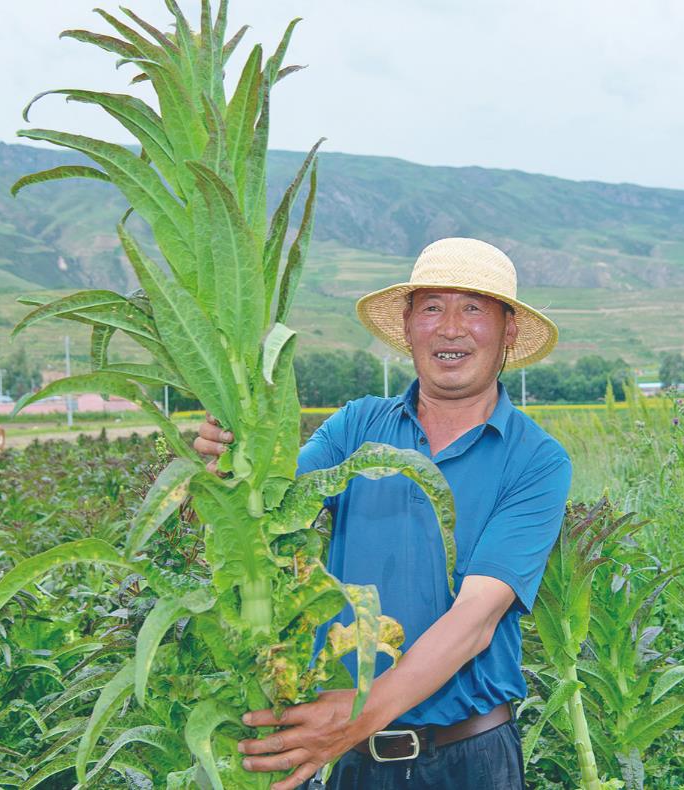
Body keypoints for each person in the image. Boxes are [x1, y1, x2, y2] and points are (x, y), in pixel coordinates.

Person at [194, 237, 571, 789]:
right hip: (349, 756)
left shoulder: (535, 459)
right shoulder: (355, 426)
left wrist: (356, 717)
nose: (450, 328)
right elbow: (267, 514)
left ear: (508, 331)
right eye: (432, 308)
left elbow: (476, 621)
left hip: (467, 758)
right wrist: (226, 473)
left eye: (473, 308)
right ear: (408, 323)